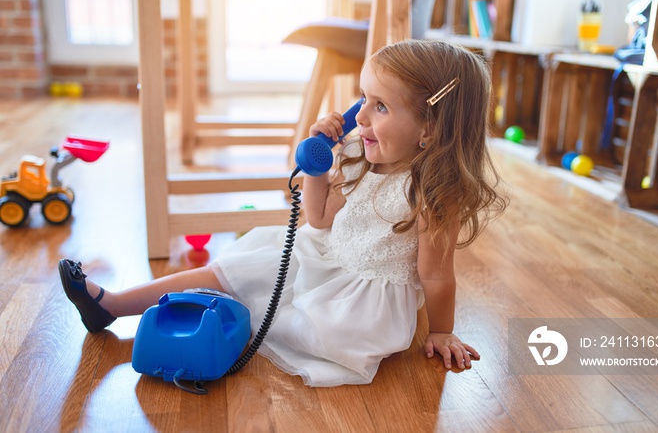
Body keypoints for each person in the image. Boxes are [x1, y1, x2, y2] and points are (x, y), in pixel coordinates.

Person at [59, 39, 507, 387]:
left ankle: (213, 323)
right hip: (321, 253)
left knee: (284, 314)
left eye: (381, 106)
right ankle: (114, 306)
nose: (361, 116)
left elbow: (437, 277)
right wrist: (318, 163)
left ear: (429, 130)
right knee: (232, 267)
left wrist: (441, 331)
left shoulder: (431, 195)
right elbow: (317, 219)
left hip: (359, 297)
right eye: (363, 98)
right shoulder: (362, 153)